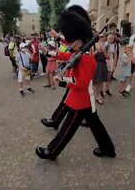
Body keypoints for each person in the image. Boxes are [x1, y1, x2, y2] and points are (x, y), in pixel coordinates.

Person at [35, 10, 116, 161]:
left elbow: (82, 83)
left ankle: (51, 152)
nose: (69, 43)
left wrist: (63, 80)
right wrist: (49, 53)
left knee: (67, 130)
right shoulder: (79, 53)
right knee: (96, 126)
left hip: (81, 100)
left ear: (79, 41)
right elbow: (66, 55)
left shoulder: (87, 59)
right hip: (80, 99)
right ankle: (108, 149)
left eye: (72, 41)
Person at [92, 34, 108, 105]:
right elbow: (91, 56)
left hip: (103, 64)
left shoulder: (106, 46)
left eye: (102, 37)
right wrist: (97, 50)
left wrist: (103, 51)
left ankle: (98, 95)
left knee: (101, 81)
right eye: (99, 37)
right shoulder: (93, 45)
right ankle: (95, 96)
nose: (100, 38)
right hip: (96, 64)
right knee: (95, 82)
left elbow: (108, 57)